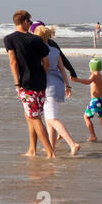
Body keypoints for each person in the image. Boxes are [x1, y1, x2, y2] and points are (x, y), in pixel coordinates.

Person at [4, 10, 54, 158]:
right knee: (30, 115)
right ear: (25, 21)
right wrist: (42, 75)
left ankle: (51, 153)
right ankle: (32, 150)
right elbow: (46, 61)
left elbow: (13, 62)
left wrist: (17, 83)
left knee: (34, 118)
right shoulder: (37, 40)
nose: (30, 24)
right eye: (29, 22)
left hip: (26, 83)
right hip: (40, 82)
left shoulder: (9, 39)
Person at [35, 25, 80, 155]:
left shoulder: (39, 52)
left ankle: (73, 143)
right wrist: (68, 85)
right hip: (58, 85)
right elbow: (62, 68)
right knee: (50, 121)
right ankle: (51, 148)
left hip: (48, 87)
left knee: (51, 120)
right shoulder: (55, 50)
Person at [75, 58, 102, 142]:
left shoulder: (94, 76)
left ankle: (93, 136)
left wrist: (77, 80)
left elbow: (87, 82)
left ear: (91, 68)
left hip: (95, 101)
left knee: (86, 117)